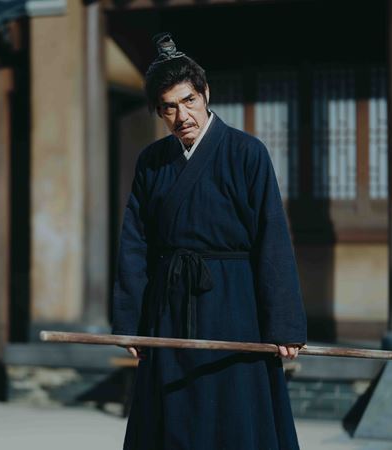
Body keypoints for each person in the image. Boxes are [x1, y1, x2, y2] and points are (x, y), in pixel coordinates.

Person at [111, 32, 307, 450]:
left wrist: (284, 325)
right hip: (169, 305)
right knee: (172, 415)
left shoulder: (247, 152)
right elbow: (135, 243)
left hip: (234, 302)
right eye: (169, 107)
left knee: (233, 412)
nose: (182, 115)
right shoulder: (152, 162)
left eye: (189, 100)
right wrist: (130, 323)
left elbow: (272, 237)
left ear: (205, 94)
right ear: (159, 112)